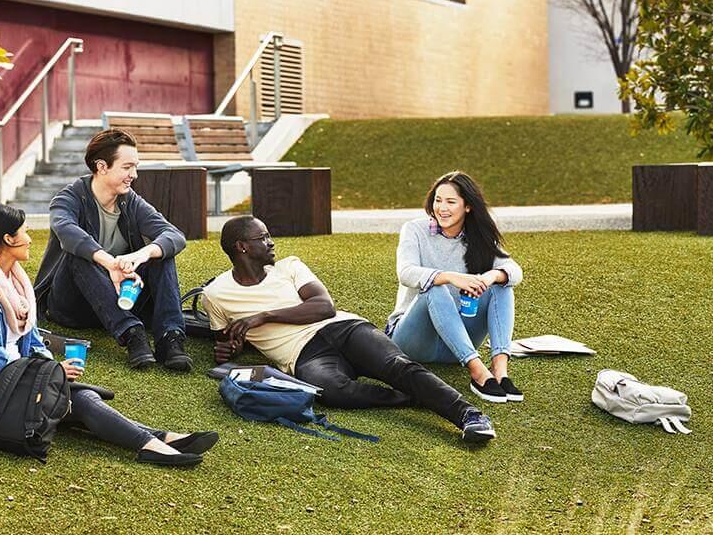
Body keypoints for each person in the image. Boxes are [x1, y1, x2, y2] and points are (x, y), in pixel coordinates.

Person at [0, 204, 217, 467]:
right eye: (25, 232)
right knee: (80, 399)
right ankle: (155, 444)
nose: (30, 239)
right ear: (8, 239)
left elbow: (31, 342)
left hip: (20, 380)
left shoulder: (16, 283)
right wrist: (52, 372)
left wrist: (49, 370)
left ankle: (160, 440)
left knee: (79, 399)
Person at [202, 214, 497, 444]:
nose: (271, 242)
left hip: (343, 327)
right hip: (303, 355)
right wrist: (231, 349)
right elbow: (225, 343)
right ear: (242, 247)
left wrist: (262, 317)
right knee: (331, 392)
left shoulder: (289, 266)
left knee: (397, 366)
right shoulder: (216, 294)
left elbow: (323, 306)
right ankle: (412, 396)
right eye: (263, 237)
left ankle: (469, 415)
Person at [34, 129, 191, 372]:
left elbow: (174, 235)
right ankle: (132, 334)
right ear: (102, 166)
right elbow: (68, 233)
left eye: (135, 167)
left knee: (161, 252)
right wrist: (111, 264)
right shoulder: (68, 198)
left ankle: (169, 338)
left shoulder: (130, 201)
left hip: (123, 298)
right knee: (78, 254)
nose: (134, 175)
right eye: (127, 167)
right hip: (73, 306)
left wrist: (142, 254)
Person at [387, 171, 524, 404]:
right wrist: (450, 277)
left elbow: (514, 271)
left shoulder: (479, 235)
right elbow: (406, 273)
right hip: (414, 340)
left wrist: (490, 276)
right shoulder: (414, 230)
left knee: (503, 283)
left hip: (457, 340)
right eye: (438, 200)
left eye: (450, 202)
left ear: (467, 206)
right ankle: (478, 372)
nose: (442, 208)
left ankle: (500, 371)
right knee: (434, 287)